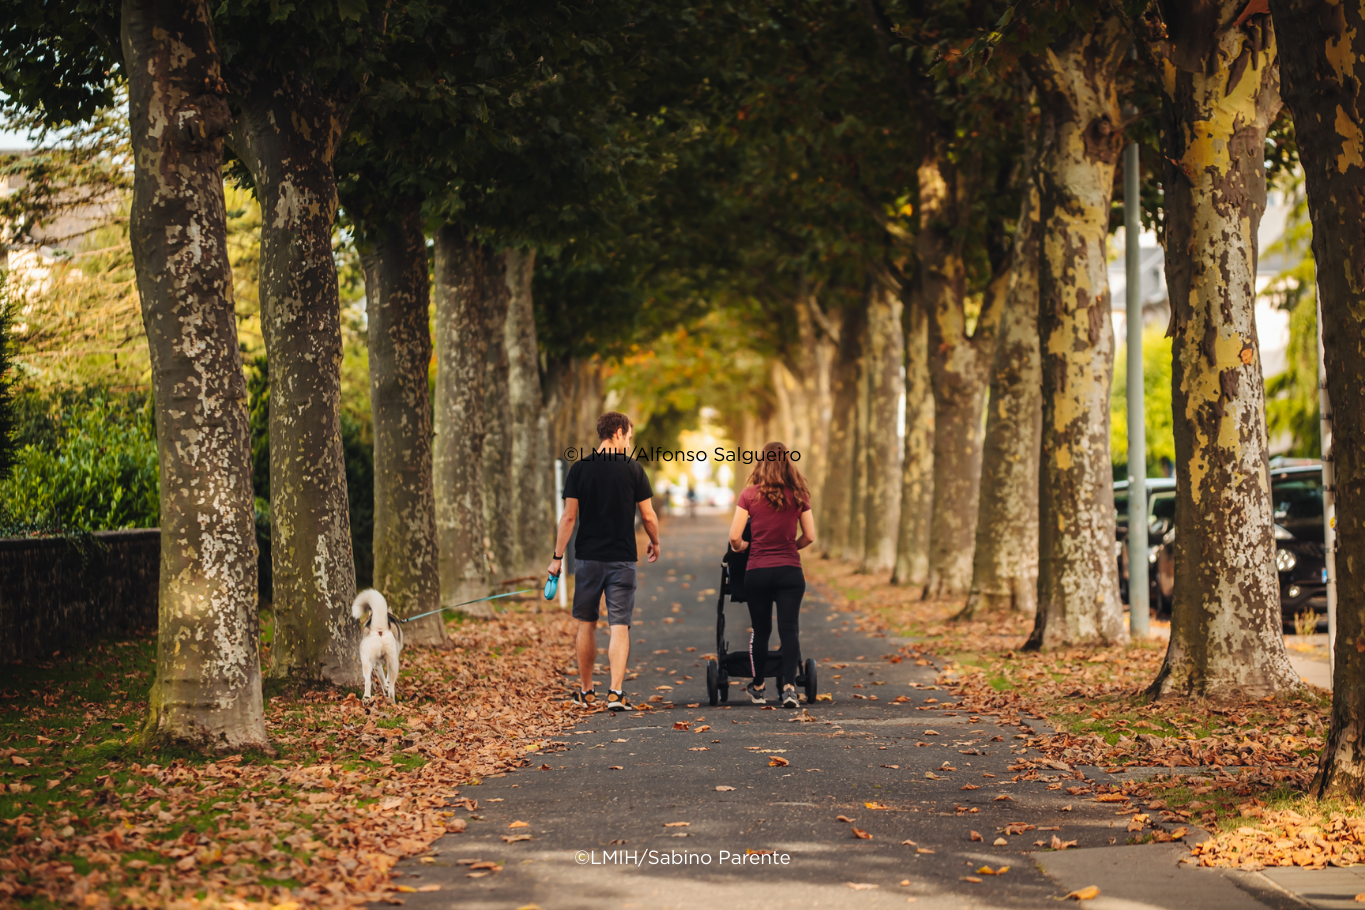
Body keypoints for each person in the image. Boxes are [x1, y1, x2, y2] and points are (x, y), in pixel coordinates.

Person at [549, 412, 660, 712]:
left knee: (587, 624)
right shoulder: (633, 469)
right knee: (619, 625)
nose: (630, 443)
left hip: (586, 559)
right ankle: (615, 693)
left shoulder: (579, 469)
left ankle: (586, 693)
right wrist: (655, 540)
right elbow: (648, 515)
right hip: (622, 559)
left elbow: (569, 517)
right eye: (630, 437)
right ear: (619, 432)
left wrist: (558, 558)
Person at [727, 441, 816, 709]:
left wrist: (744, 547)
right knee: (789, 630)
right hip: (790, 571)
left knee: (761, 630)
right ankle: (789, 688)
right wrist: (791, 547)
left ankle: (758, 687)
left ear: (762, 463)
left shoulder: (749, 495)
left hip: (758, 572)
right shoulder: (799, 495)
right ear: (788, 463)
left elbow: (734, 537)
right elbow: (810, 536)